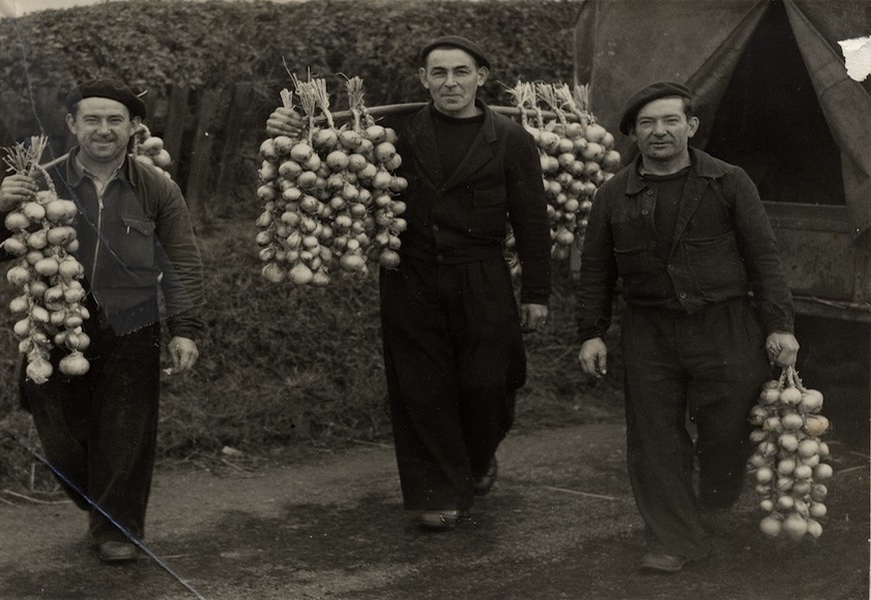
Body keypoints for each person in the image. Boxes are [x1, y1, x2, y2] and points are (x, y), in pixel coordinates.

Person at [267, 35, 552, 529]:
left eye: (461, 71)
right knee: (421, 387)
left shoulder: (510, 139)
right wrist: (286, 121)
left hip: (482, 274)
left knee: (491, 385)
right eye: (438, 73)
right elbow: (318, 143)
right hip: (410, 273)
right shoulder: (391, 129)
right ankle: (439, 495)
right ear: (423, 80)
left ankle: (478, 458)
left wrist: (538, 294)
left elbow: (531, 221)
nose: (450, 82)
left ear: (481, 77)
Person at [0, 79, 206, 563]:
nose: (104, 130)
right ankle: (104, 505)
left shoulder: (157, 186)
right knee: (59, 434)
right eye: (93, 119)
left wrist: (185, 329)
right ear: (72, 125)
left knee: (126, 430)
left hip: (134, 317)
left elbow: (182, 261)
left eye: (115, 120)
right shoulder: (42, 182)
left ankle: (116, 532)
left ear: (134, 127)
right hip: (58, 317)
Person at [575, 81, 800, 572]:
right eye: (647, 124)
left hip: (724, 324)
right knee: (653, 436)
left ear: (691, 126)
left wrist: (779, 324)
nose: (659, 132)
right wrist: (591, 331)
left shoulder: (728, 181)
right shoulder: (613, 194)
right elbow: (595, 269)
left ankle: (714, 494)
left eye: (670, 120)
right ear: (633, 132)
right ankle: (672, 539)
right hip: (649, 329)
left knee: (728, 428)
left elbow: (765, 258)